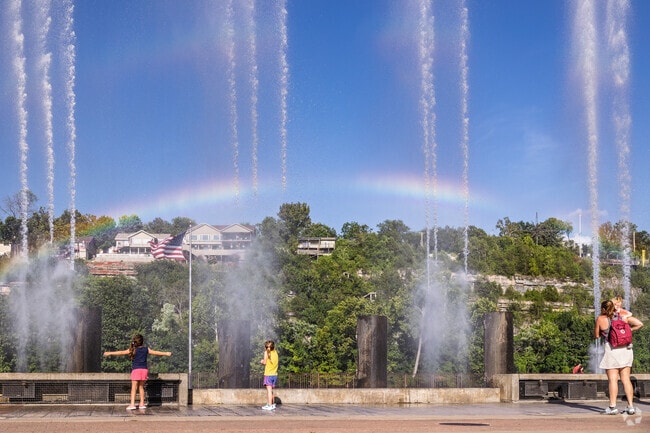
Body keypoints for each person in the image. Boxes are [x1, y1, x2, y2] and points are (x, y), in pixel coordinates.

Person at [594, 300, 643, 415]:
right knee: (626, 379)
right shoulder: (623, 316)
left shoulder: (601, 319)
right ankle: (630, 406)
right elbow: (639, 323)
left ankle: (612, 407)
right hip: (626, 350)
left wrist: (603, 332)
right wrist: (629, 330)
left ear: (603, 309)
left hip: (612, 350)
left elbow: (596, 336)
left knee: (613, 380)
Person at [104, 334, 172, 410]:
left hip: (136, 370)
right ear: (142, 342)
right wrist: (166, 353)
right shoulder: (146, 349)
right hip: (144, 370)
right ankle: (142, 404)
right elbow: (156, 352)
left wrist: (109, 353)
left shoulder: (133, 349)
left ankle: (132, 404)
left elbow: (121, 352)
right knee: (141, 387)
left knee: (134, 388)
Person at [260, 339, 279, 410]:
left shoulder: (266, 353)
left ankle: (269, 405)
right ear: (273, 347)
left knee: (268, 391)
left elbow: (264, 362)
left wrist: (262, 361)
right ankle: (272, 404)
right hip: (274, 374)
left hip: (268, 374)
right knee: (271, 390)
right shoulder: (275, 352)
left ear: (266, 347)